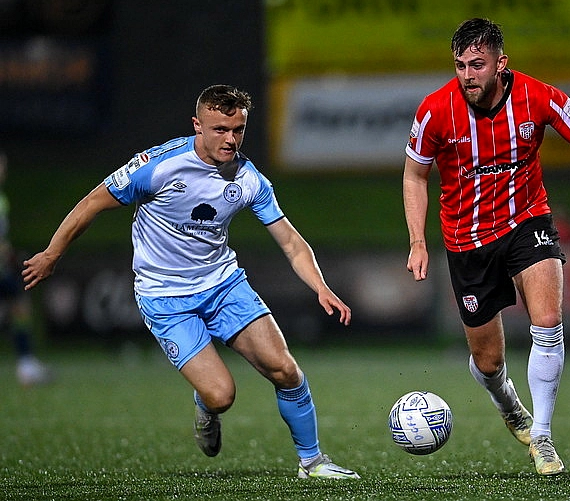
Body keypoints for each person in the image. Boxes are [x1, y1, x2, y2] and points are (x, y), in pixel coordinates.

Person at [22, 85, 360, 479]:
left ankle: (312, 462)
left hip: (223, 285)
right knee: (222, 395)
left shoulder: (250, 179)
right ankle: (206, 406)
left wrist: (320, 286)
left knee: (285, 370)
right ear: (197, 125)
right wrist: (52, 254)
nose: (230, 139)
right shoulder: (158, 166)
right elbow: (92, 203)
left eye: (238, 130)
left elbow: (289, 239)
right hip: (165, 297)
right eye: (220, 129)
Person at [402, 18, 570, 476]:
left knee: (548, 319)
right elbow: (414, 173)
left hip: (527, 223)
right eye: (460, 65)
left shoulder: (539, 97)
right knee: (488, 361)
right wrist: (418, 241)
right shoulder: (435, 111)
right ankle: (508, 403)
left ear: (502, 64)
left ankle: (541, 435)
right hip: (466, 240)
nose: (467, 75)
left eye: (477, 65)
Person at [0, 150, 53, 386]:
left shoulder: (2, 199)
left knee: (19, 307)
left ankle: (27, 365)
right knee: (19, 307)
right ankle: (26, 366)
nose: (3, 169)